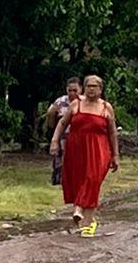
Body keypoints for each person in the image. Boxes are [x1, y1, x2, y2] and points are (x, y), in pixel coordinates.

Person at [50, 74, 120, 236]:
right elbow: (62, 123)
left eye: (94, 86)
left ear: (101, 90)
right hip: (76, 147)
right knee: (79, 179)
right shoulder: (76, 104)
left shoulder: (106, 108)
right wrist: (54, 141)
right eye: (88, 86)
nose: (91, 89)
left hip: (99, 148)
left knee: (92, 179)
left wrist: (115, 155)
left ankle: (79, 208)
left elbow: (112, 133)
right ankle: (88, 223)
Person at [45, 77, 82, 186]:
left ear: (81, 89)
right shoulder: (60, 101)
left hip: (78, 135)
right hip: (63, 134)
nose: (72, 93)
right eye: (70, 90)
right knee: (59, 157)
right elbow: (51, 114)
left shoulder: (84, 102)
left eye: (75, 90)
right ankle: (59, 179)